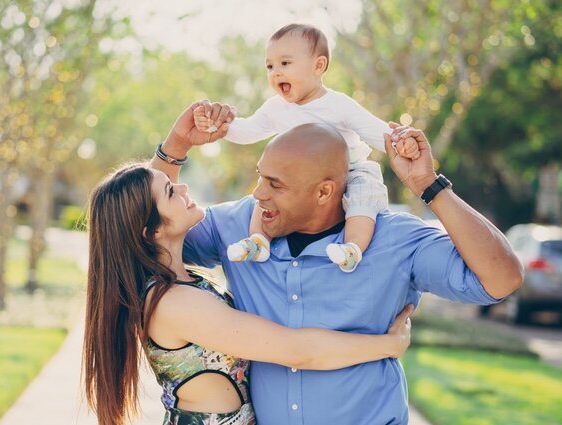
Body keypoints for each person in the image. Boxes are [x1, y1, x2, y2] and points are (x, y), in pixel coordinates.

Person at [154, 101, 524, 424]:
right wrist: (176, 146)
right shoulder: (235, 226)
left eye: (276, 184)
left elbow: (501, 280)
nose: (259, 193)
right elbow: (147, 233)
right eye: (260, 177)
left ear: (325, 191)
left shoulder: (395, 239)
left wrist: (429, 185)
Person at [81, 160, 414, 424]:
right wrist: (387, 345)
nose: (182, 186)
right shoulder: (173, 303)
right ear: (151, 231)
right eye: (170, 192)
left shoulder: (179, 283)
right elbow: (296, 350)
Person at [193, 23, 420, 273]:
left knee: (363, 197)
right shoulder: (275, 108)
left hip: (349, 170)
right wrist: (218, 126)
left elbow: (375, 130)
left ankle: (352, 248)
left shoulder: (338, 105)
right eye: (270, 66)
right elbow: (248, 131)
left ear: (318, 66)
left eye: (285, 63)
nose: (276, 72)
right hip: (295, 181)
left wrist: (402, 143)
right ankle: (259, 241)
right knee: (266, 193)